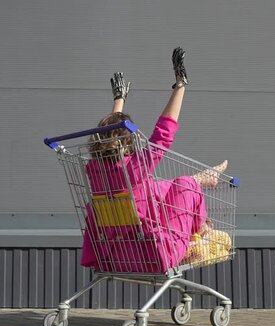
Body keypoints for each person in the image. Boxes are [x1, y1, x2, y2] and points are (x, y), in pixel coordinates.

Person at [80, 47, 228, 273]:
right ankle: (203, 233)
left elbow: (109, 136)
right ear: (128, 142)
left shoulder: (94, 170)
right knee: (184, 183)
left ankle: (202, 179)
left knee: (148, 189)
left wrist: (119, 100)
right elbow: (163, 134)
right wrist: (180, 86)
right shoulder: (134, 166)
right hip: (155, 253)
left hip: (115, 256)